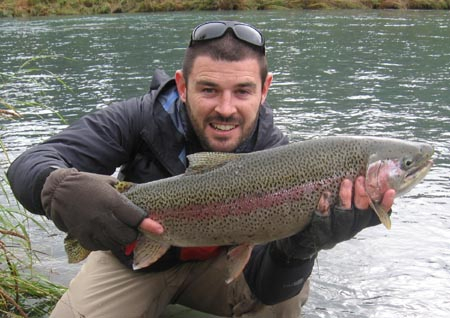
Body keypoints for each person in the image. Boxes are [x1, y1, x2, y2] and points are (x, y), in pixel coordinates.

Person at [7, 21, 395, 318]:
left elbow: (269, 286)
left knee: (286, 298)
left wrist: (301, 245)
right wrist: (58, 187)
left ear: (265, 89)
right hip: (132, 256)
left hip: (221, 267)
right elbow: (28, 165)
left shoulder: (279, 153)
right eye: (209, 89)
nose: (225, 108)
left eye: (242, 91)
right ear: (182, 84)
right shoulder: (138, 116)